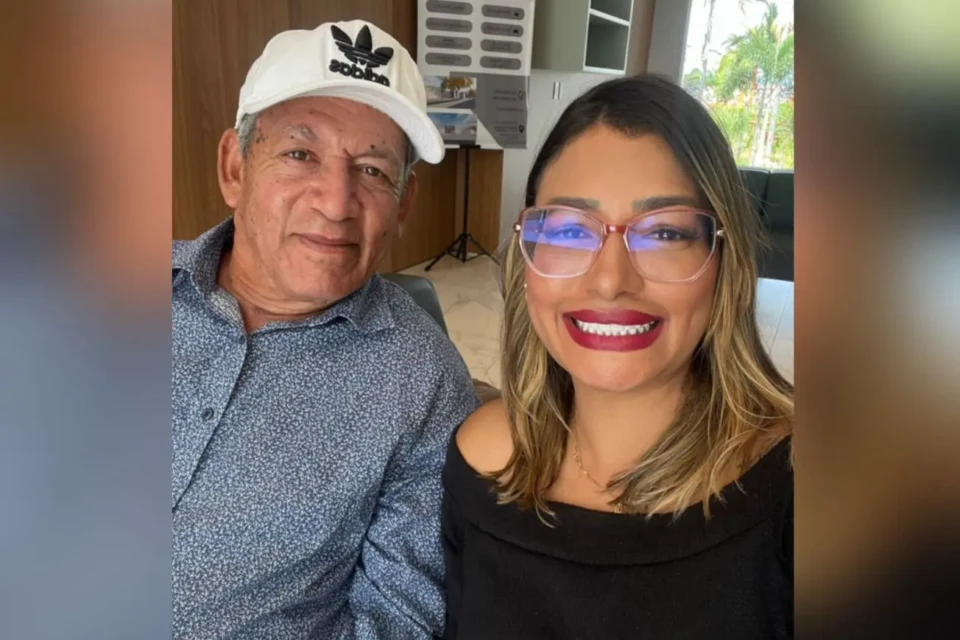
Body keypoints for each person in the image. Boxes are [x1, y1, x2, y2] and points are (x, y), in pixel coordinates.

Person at [443, 75, 794, 639]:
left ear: (723, 261)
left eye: (665, 234)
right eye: (568, 230)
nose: (610, 281)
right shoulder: (479, 459)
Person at [172, 20, 479, 639]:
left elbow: (400, 617)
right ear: (234, 168)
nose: (336, 203)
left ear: (404, 204)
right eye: (300, 154)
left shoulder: (421, 383)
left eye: (372, 170)